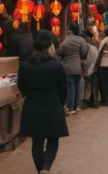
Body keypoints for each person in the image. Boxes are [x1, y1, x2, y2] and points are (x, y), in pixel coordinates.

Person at [17, 30, 68, 174]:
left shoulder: (25, 65)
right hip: (53, 107)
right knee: (53, 141)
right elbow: (63, 89)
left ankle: (40, 170)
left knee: (37, 142)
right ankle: (45, 168)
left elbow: (22, 87)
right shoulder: (56, 65)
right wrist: (62, 102)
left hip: (32, 107)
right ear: (49, 45)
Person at [55, 22, 89, 115]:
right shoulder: (81, 40)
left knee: (70, 87)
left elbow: (60, 51)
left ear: (70, 29)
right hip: (78, 67)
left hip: (68, 67)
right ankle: (75, 106)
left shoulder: (67, 40)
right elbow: (84, 52)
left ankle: (70, 107)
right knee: (77, 87)